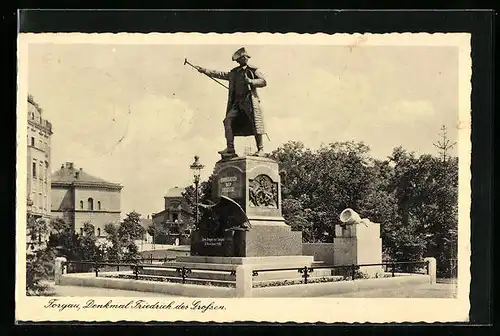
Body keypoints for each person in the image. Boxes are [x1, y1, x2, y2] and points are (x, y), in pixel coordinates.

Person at [194, 47, 267, 157]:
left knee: (255, 123)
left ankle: (260, 149)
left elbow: (263, 81)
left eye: (246, 57)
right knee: (228, 121)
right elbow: (221, 74)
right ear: (238, 60)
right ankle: (230, 149)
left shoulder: (253, 70)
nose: (245, 58)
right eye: (243, 57)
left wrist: (251, 81)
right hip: (237, 103)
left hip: (250, 101)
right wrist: (205, 70)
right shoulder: (234, 73)